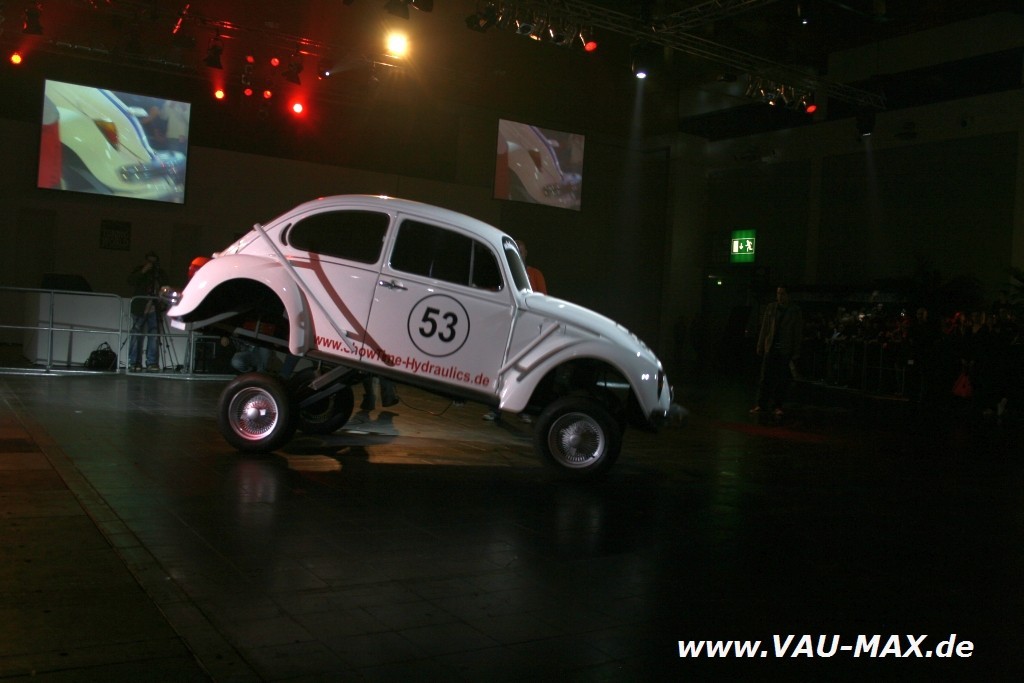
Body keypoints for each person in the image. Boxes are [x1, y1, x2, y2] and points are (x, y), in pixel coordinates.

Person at [484, 240, 546, 423]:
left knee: (524, 370)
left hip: (527, 329)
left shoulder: (535, 274)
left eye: (521, 250)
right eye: (516, 250)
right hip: (505, 328)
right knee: (500, 369)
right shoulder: (503, 272)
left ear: (526, 253)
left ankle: (522, 408)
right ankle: (495, 409)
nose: (519, 253)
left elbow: (543, 299)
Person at [751, 285, 804, 417]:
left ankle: (777, 405)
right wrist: (760, 345)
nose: (780, 296)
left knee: (781, 380)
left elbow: (797, 332)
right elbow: (765, 327)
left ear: (788, 295)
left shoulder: (794, 311)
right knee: (765, 377)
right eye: (778, 293)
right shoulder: (771, 308)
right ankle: (762, 404)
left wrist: (796, 351)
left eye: (782, 294)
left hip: (785, 349)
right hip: (771, 347)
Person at [127, 251, 167, 372]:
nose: (152, 264)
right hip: (140, 307)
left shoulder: (160, 274)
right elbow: (130, 281)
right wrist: (143, 270)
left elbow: (166, 286)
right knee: (136, 333)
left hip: (155, 307)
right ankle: (134, 362)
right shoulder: (139, 270)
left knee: (154, 335)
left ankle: (152, 362)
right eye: (149, 261)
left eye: (154, 262)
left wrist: (162, 299)